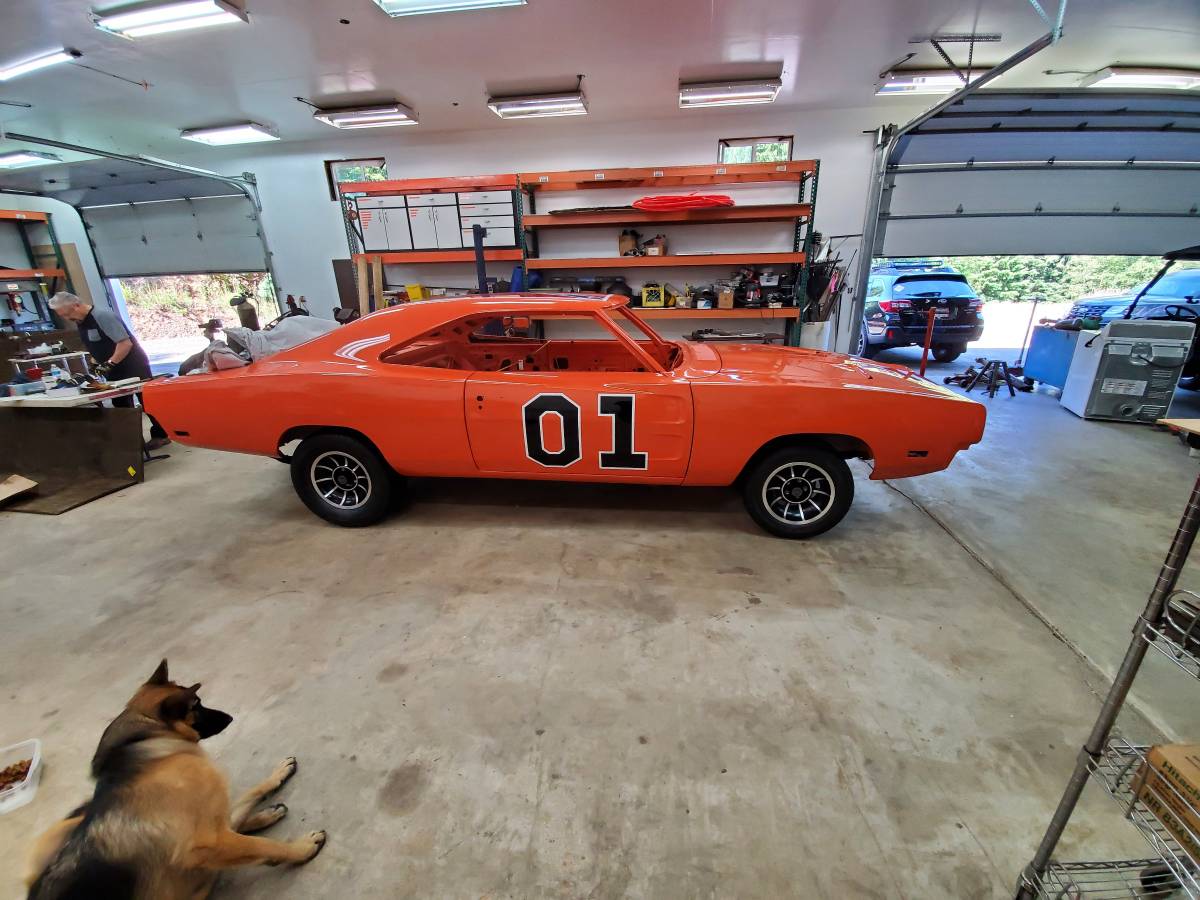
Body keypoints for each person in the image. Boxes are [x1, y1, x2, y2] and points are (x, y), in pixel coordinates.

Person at [48, 292, 170, 450]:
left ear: (76, 305)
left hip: (131, 364)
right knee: (120, 404)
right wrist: (94, 362)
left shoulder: (102, 316)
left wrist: (110, 363)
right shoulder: (81, 321)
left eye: (67, 314)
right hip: (113, 367)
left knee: (146, 401)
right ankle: (131, 442)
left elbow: (125, 343)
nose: (67, 319)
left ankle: (162, 435)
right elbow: (94, 344)